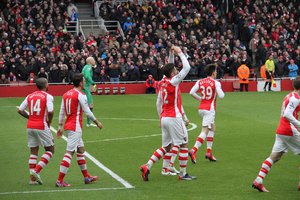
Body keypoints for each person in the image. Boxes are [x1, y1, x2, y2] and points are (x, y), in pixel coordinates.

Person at [140, 46, 196, 181]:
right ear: (172, 73)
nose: (177, 71)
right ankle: (183, 174)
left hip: (164, 117)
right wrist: (180, 52)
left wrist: (171, 53)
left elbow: (158, 102)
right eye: (175, 70)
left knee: (167, 147)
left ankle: (147, 165)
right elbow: (187, 68)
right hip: (173, 117)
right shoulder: (173, 81)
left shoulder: (163, 80)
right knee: (184, 143)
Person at [252, 77, 300, 192]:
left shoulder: (289, 96)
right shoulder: (296, 98)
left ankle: (258, 180)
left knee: (275, 156)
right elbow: (287, 114)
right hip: (288, 130)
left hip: (281, 130)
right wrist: (298, 124)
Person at [55, 73, 103, 187]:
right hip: (75, 127)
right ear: (81, 83)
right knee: (70, 152)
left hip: (69, 126)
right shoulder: (81, 95)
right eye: (84, 81)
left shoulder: (66, 94)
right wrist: (97, 122)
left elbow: (62, 111)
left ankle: (86, 177)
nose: (85, 82)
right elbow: (87, 111)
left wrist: (60, 126)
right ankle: (59, 180)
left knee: (80, 150)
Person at [17, 78, 54, 185]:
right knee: (50, 150)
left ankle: (32, 180)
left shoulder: (30, 95)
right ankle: (36, 171)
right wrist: (49, 122)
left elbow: (20, 110)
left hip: (30, 126)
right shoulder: (48, 96)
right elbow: (50, 111)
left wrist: (30, 117)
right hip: (41, 126)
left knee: (33, 151)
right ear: (46, 85)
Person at [188, 64, 225, 163]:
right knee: (205, 130)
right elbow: (221, 96)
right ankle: (193, 150)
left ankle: (209, 152)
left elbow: (191, 92)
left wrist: (200, 98)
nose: (216, 72)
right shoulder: (215, 82)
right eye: (216, 71)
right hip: (209, 109)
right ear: (213, 73)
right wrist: (220, 90)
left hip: (201, 108)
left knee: (212, 127)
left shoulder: (200, 81)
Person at [82, 57, 97, 127]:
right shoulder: (89, 67)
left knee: (85, 104)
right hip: (86, 88)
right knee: (90, 105)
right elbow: (87, 76)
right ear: (90, 61)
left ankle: (88, 122)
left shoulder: (85, 67)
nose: (94, 61)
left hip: (83, 87)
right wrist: (93, 83)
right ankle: (89, 122)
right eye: (93, 60)